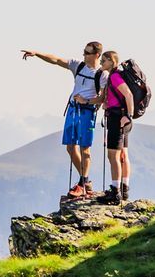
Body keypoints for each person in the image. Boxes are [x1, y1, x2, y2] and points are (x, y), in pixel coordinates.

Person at [20, 41, 108, 200]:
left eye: (87, 53)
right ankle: (85, 181)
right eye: (84, 52)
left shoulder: (102, 75)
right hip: (73, 109)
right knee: (70, 147)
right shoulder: (78, 66)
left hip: (87, 112)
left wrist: (86, 101)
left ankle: (83, 182)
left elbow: (103, 98)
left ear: (97, 55)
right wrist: (37, 53)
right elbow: (57, 60)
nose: (84, 55)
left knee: (84, 148)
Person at [98, 50, 137, 203]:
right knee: (123, 155)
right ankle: (124, 189)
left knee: (113, 155)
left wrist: (128, 115)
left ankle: (115, 192)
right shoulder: (116, 75)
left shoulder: (114, 76)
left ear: (111, 61)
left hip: (117, 118)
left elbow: (128, 94)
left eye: (104, 61)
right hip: (122, 117)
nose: (101, 64)